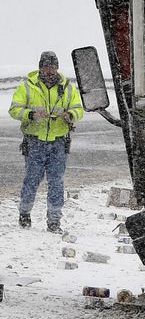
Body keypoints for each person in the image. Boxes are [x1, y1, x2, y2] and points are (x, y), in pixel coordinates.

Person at [12, 51, 85, 232]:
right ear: (40, 67)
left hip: (58, 143)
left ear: (57, 67)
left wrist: (70, 115)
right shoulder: (28, 86)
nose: (50, 70)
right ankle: (25, 213)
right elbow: (14, 109)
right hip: (34, 142)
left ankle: (54, 220)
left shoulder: (68, 87)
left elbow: (79, 109)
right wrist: (31, 114)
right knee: (31, 180)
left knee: (56, 182)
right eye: (46, 66)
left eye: (53, 66)